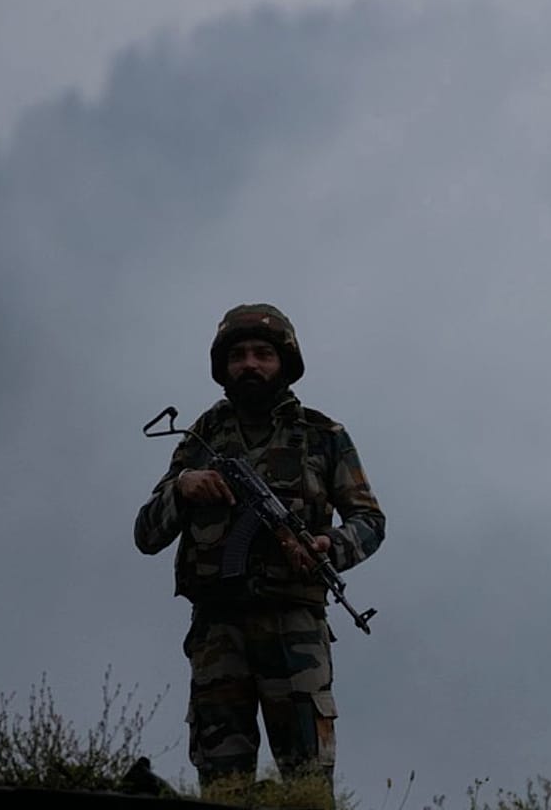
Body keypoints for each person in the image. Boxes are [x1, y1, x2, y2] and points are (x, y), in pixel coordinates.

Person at [133, 303, 386, 807]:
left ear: (284, 362)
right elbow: (147, 533)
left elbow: (369, 521)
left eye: (263, 354)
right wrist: (183, 488)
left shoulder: (323, 436)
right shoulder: (199, 441)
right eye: (239, 355)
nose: (250, 364)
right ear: (223, 366)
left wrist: (327, 545)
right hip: (217, 632)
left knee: (307, 784)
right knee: (222, 786)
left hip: (295, 629)